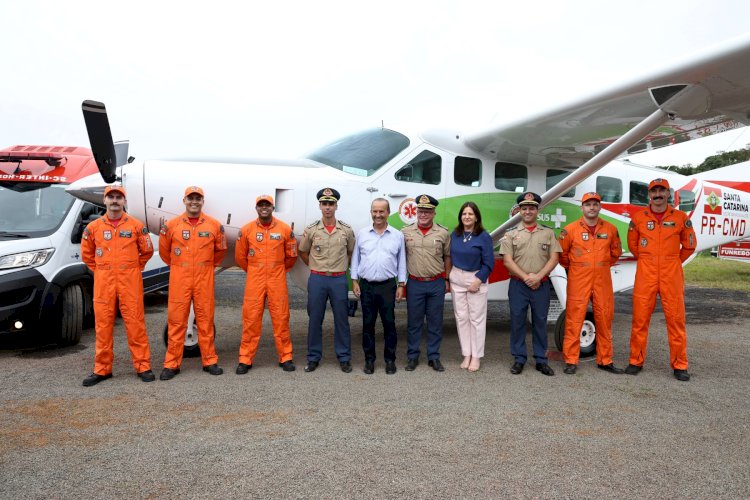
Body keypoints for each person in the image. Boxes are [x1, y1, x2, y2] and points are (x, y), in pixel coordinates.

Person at [80, 185, 155, 386]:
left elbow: (147, 251)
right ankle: (102, 369)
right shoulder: (93, 228)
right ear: (104, 201)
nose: (114, 201)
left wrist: (132, 268)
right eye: (111, 197)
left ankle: (143, 366)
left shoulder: (136, 226)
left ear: (124, 201)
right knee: (103, 325)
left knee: (135, 323)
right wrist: (103, 269)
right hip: (104, 281)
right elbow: (86, 254)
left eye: (118, 197)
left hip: (129, 280)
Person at [626, 178, 696, 381]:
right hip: (646, 273)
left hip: (670, 274)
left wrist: (672, 262)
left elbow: (690, 245)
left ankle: (680, 365)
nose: (657, 195)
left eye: (661, 191)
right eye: (654, 191)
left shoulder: (681, 218)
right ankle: (635, 361)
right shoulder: (638, 218)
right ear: (649, 195)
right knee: (639, 320)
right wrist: (649, 260)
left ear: (668, 193)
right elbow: (633, 245)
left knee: (676, 320)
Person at [159, 186, 227, 380]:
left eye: (198, 198)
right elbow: (165, 252)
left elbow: (220, 251)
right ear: (184, 200)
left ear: (202, 201)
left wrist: (205, 266)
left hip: (204, 277)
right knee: (176, 321)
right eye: (191, 198)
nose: (194, 202)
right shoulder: (171, 225)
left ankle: (209, 361)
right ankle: (172, 364)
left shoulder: (214, 225)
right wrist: (181, 266)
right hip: (180, 277)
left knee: (205, 320)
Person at [558, 192, 623, 375]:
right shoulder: (570, 230)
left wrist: (599, 267)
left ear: (600, 207)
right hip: (579, 279)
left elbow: (615, 253)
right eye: (588, 204)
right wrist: (579, 269)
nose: (592, 207)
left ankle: (605, 360)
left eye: (595, 204)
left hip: (602, 280)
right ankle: (571, 360)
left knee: (604, 318)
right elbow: (562, 256)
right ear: (582, 207)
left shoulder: (610, 229)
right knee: (574, 319)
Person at [234, 195, 298, 374]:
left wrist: (277, 270)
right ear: (256, 208)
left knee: (281, 318)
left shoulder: (285, 229)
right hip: (255, 278)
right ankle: (245, 359)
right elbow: (240, 257)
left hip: (277, 278)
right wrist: (255, 270)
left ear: (272, 207)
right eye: (261, 205)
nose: (264, 208)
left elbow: (291, 256)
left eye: (267, 205)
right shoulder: (246, 230)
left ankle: (285, 357)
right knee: (251, 319)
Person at [500, 192, 561, 376]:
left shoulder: (548, 232)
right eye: (524, 208)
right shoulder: (511, 234)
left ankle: (541, 360)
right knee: (517, 321)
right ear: (519, 211)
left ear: (537, 210)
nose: (528, 211)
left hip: (541, 285)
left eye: (531, 208)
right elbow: (507, 261)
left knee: (540, 322)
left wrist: (538, 277)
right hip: (519, 285)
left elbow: (554, 258)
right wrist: (527, 277)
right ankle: (519, 359)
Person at [298, 187, 356, 373]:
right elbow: (303, 252)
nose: (328, 207)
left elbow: (351, 252)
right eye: (325, 204)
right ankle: (313, 357)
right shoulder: (312, 230)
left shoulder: (346, 230)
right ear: (320, 206)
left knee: (342, 320)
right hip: (318, 279)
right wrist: (315, 267)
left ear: (336, 206)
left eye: (331, 204)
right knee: (315, 319)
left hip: (339, 279)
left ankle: (344, 357)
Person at [350, 198, 406, 375]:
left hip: (388, 286)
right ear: (371, 212)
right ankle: (369, 360)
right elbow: (356, 259)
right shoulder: (363, 234)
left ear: (388, 213)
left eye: (382, 211)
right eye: (375, 211)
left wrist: (401, 284)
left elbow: (402, 261)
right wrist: (354, 281)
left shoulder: (397, 235)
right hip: (366, 286)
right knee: (368, 325)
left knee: (389, 324)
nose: (378, 215)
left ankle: (390, 360)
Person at [402, 194, 451, 372]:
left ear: (433, 213)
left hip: (436, 283)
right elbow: (401, 258)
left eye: (427, 211)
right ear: (416, 211)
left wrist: (447, 278)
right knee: (414, 322)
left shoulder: (443, 233)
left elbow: (447, 256)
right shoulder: (405, 232)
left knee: (435, 321)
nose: (423, 214)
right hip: (415, 283)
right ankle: (412, 356)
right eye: (421, 211)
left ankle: (433, 357)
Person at [449, 201, 494, 372]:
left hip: (475, 278)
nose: (467, 217)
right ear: (460, 217)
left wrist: (478, 280)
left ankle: (476, 356)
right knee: (462, 318)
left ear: (476, 217)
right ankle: (466, 354)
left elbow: (489, 262)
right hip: (457, 278)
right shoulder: (455, 234)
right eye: (464, 214)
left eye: (470, 214)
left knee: (476, 319)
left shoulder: (483, 236)